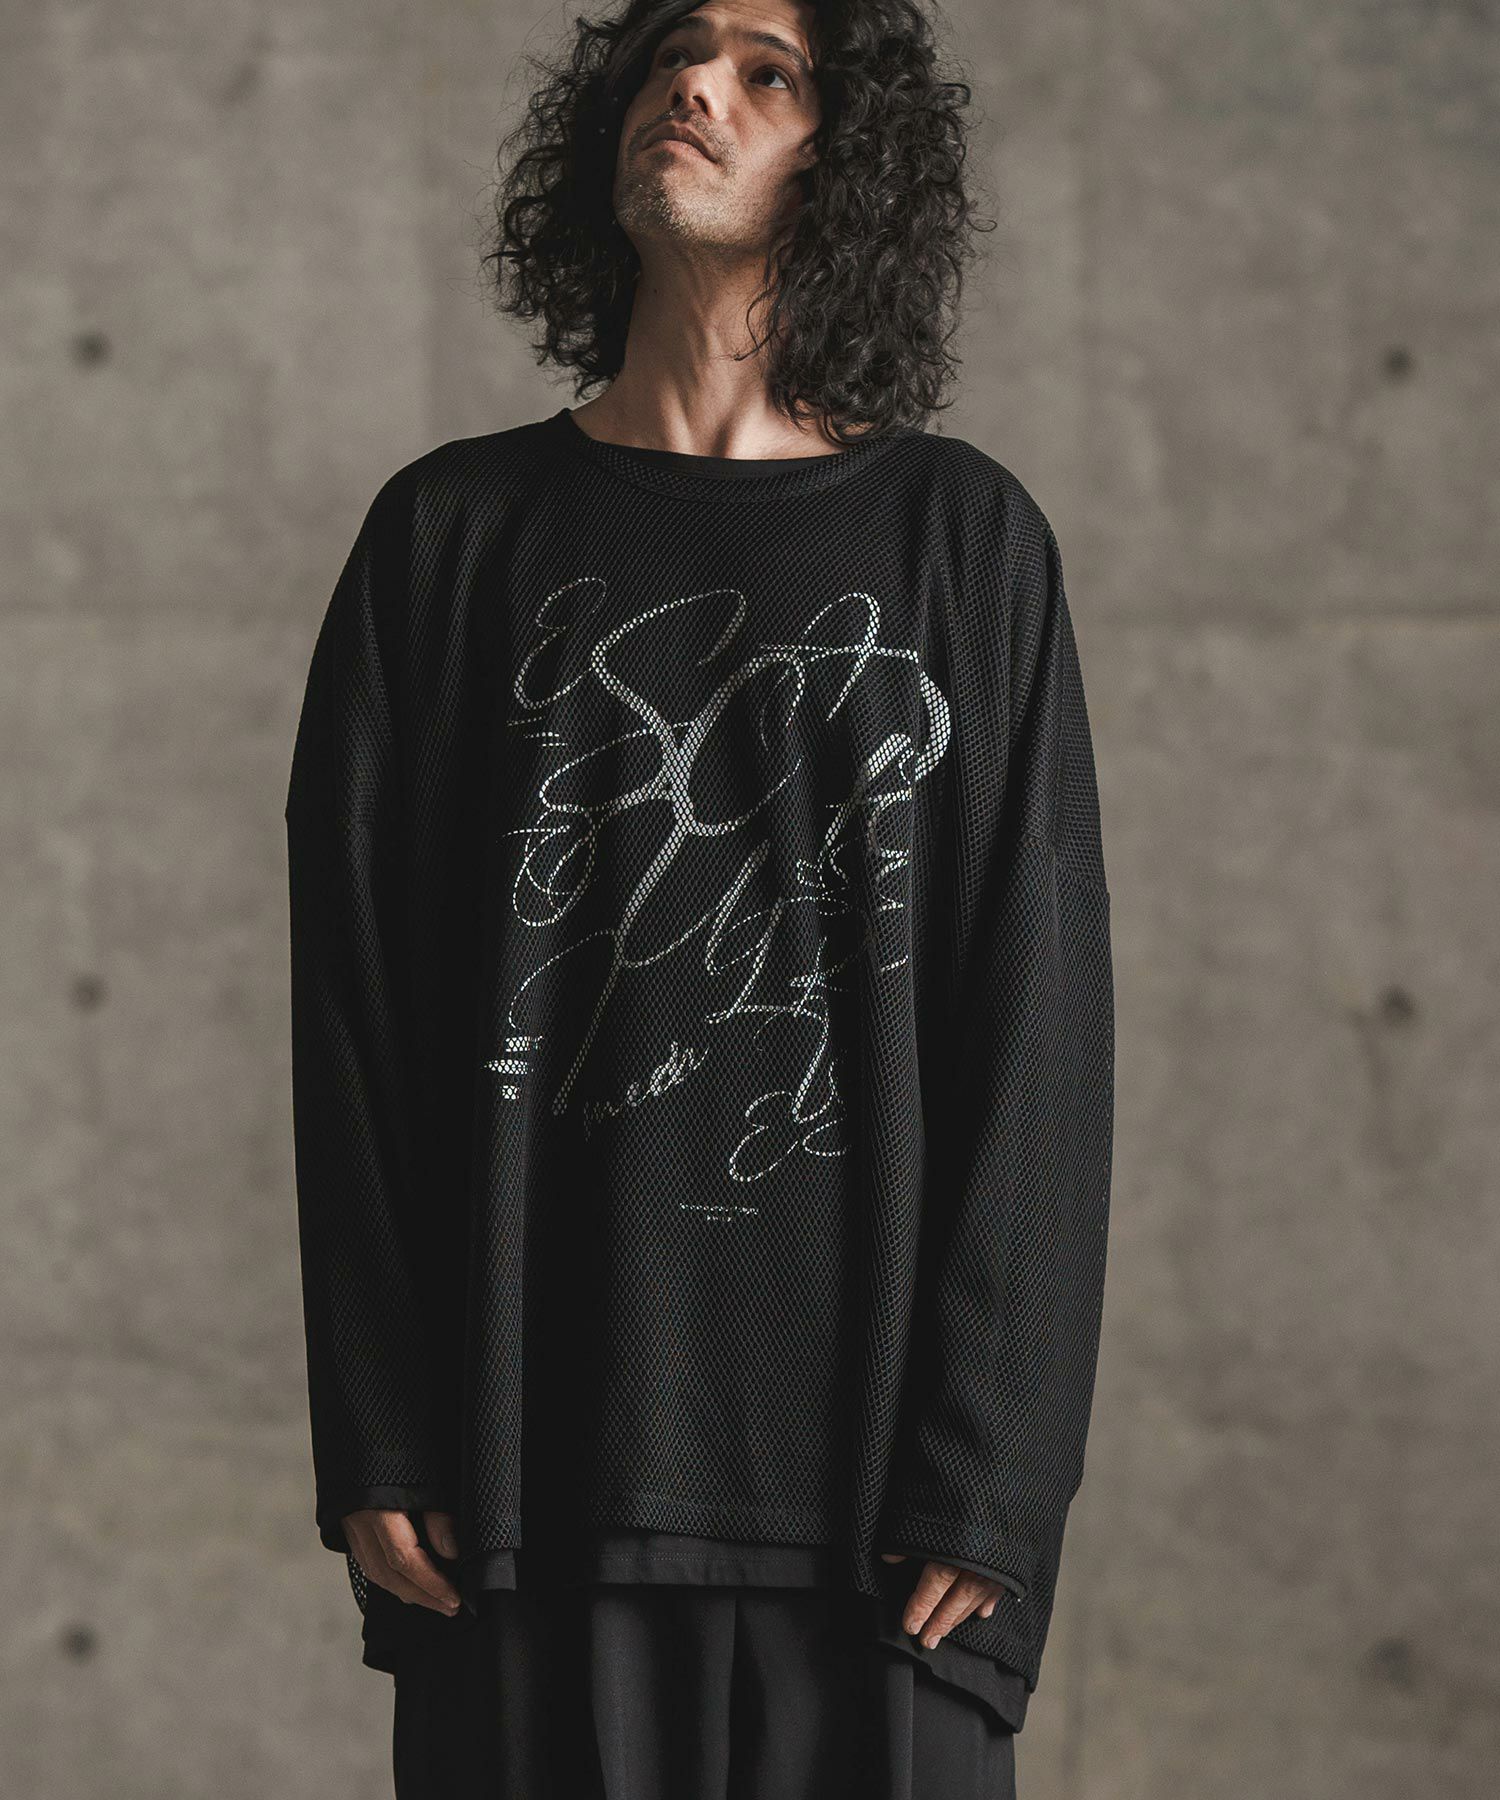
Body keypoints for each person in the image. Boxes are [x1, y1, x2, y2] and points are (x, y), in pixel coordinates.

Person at [282, 0, 1115, 1791]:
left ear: (844, 159)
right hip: (525, 1486)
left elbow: (1038, 1016)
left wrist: (997, 1472)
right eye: (673, 51)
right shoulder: (449, 540)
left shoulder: (963, 540)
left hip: (882, 1532)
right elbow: (353, 1007)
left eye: (764, 71)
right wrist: (379, 1423)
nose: (696, 84)